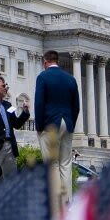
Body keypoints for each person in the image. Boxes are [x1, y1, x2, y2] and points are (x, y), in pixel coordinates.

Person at [32, 50, 81, 194]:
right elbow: (76, 106)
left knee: (52, 164)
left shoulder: (43, 77)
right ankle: (67, 201)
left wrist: (39, 126)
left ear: (45, 62)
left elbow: (39, 104)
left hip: (51, 124)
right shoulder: (70, 79)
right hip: (67, 122)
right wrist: (71, 123)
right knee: (66, 164)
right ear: (57, 61)